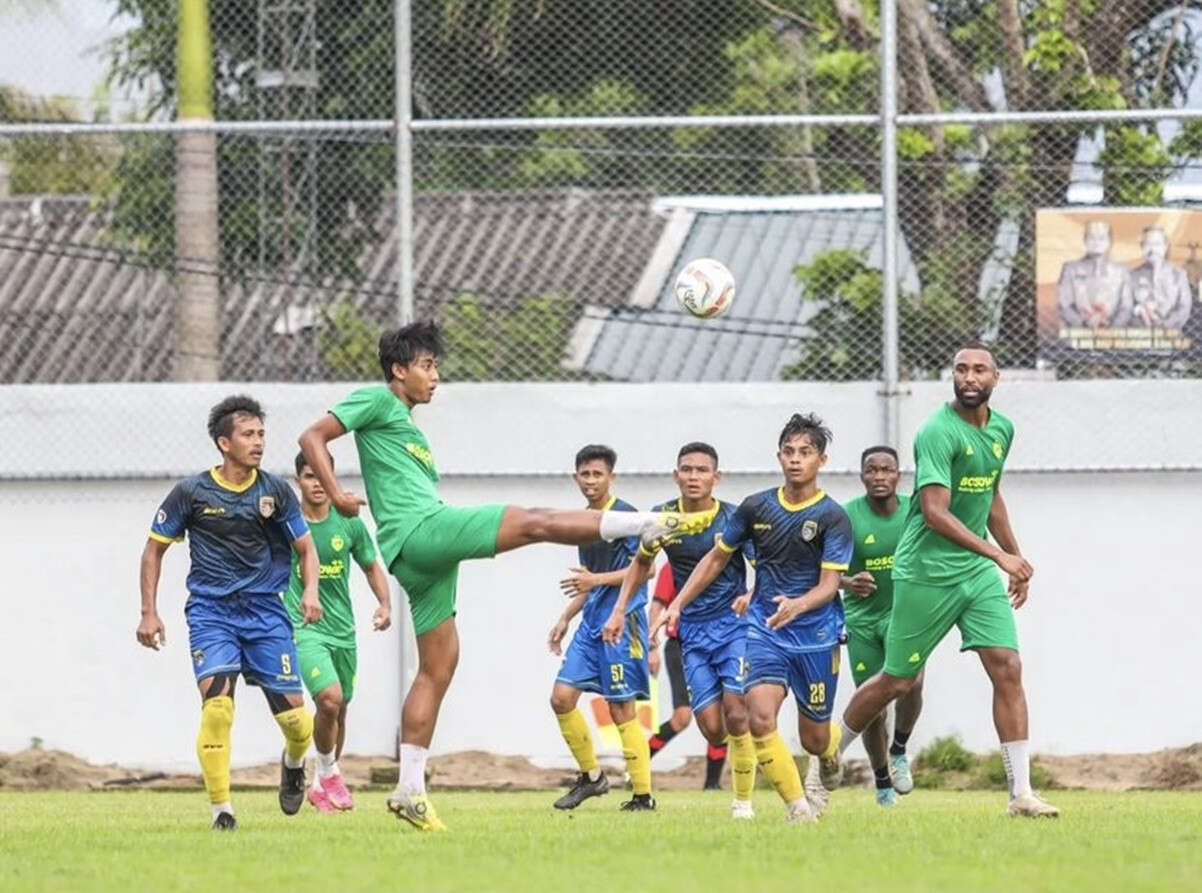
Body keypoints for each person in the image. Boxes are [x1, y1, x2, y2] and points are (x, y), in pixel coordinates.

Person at [297, 321, 708, 831]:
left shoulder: (408, 429)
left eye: (436, 366)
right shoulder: (377, 400)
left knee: (438, 668)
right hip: (423, 532)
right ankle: (647, 522)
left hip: (419, 552)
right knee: (534, 521)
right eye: (427, 366)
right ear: (399, 370)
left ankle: (410, 790)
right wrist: (337, 494)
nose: (435, 376)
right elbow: (312, 435)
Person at [830, 344, 1059, 819]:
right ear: (951, 376)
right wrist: (999, 555)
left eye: (979, 369)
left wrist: (1012, 557)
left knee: (1008, 666)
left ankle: (1021, 794)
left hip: (974, 570)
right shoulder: (936, 431)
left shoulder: (1002, 429)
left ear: (996, 377)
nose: (969, 377)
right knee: (897, 681)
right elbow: (934, 513)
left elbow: (991, 494)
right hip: (927, 570)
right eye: (961, 369)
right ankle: (822, 768)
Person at [656, 414, 852, 824]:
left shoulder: (833, 517)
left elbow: (829, 584)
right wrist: (676, 603)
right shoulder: (755, 507)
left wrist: (798, 605)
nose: (796, 460)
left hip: (815, 634)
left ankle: (830, 751)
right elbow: (716, 558)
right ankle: (799, 810)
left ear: (823, 460)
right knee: (759, 717)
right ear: (779, 456)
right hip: (764, 629)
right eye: (789, 452)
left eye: (806, 453)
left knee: (814, 739)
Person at [137, 395, 321, 831]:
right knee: (218, 708)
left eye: (261, 433)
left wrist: (310, 591)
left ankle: (294, 763)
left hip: (265, 612)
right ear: (224, 442)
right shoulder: (192, 493)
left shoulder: (275, 491)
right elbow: (153, 550)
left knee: (298, 724)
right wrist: (149, 611)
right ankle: (222, 811)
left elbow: (305, 548)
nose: (258, 442)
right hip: (211, 612)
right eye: (248, 434)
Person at [610, 442, 757, 819]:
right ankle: (747, 744)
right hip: (690, 632)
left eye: (702, 470)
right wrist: (620, 611)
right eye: (687, 470)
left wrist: (753, 593)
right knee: (711, 728)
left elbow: (764, 566)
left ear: (716, 477)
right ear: (676, 475)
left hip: (734, 627)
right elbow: (641, 566)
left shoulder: (733, 518)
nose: (694, 477)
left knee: (737, 713)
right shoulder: (661, 517)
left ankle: (743, 802)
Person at [548, 445, 656, 811]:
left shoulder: (626, 516)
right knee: (561, 698)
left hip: (624, 621)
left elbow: (646, 569)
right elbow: (588, 582)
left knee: (621, 708)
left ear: (612, 477)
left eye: (598, 474)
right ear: (575, 477)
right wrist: (565, 616)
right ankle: (592, 778)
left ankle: (643, 796)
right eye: (585, 474)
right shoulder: (583, 522)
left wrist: (595, 583)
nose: (591, 481)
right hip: (593, 620)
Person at [285, 452, 393, 813]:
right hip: (304, 627)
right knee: (328, 699)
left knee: (340, 708)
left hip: (342, 630)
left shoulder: (348, 524)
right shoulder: (287, 524)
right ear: (298, 480)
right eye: (309, 476)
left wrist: (385, 604)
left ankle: (320, 785)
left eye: (324, 476)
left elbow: (371, 566)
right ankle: (329, 772)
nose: (317, 483)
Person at [841, 446, 923, 807]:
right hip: (861, 619)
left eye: (886, 470)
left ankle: (900, 748)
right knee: (871, 705)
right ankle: (882, 782)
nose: (879, 476)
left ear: (898, 475)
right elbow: (822, 569)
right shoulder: (846, 517)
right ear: (862, 476)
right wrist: (847, 583)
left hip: (904, 614)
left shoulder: (915, 511)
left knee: (913, 681)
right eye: (871, 470)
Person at [648, 563, 732, 791]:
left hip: (718, 642)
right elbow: (658, 604)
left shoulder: (722, 559)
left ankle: (712, 785)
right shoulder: (673, 565)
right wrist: (652, 647)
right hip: (681, 646)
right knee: (682, 718)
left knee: (723, 715)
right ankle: (638, 764)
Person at [1056, 220, 1134, 329]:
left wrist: (1112, 327)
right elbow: (1064, 304)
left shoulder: (1121, 271)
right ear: (1085, 240)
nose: (1096, 242)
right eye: (1092, 237)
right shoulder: (1071, 269)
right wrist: (1083, 323)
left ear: (1109, 241)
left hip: (1113, 335)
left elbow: (1127, 307)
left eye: (1102, 238)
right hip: (1078, 334)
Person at [1130, 226, 1193, 329]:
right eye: (1148, 244)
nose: (1152, 249)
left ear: (1165, 246)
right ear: (1141, 247)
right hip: (1141, 336)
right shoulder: (1132, 276)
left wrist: (1166, 325)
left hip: (1170, 336)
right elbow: (1126, 308)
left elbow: (1184, 308)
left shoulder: (1178, 275)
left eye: (1157, 244)